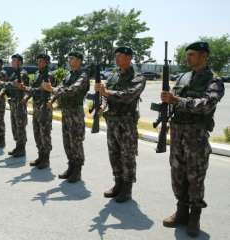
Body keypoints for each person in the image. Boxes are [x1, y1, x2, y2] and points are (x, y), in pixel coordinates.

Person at [161, 42, 225, 237]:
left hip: (196, 136)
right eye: (187, 54)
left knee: (195, 177)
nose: (187, 57)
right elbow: (171, 98)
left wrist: (177, 101)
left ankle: (194, 216)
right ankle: (181, 212)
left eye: (192, 54)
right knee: (177, 174)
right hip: (178, 133)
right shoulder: (182, 76)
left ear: (204, 56)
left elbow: (207, 104)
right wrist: (166, 100)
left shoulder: (214, 80)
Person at [94, 47, 146, 203]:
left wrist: (106, 93)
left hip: (127, 122)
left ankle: (127, 188)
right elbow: (105, 95)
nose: (117, 59)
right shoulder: (114, 75)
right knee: (114, 154)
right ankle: (118, 183)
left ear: (129, 58)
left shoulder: (138, 77)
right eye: (116, 56)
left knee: (127, 156)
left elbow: (129, 95)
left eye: (120, 56)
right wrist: (103, 105)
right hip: (112, 121)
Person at [43, 52, 89, 183]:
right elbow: (61, 87)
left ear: (79, 60)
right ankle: (71, 167)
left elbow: (72, 89)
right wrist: (52, 100)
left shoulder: (83, 75)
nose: (69, 60)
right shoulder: (69, 74)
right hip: (66, 112)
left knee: (76, 141)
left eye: (72, 58)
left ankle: (77, 170)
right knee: (67, 141)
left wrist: (52, 89)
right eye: (68, 58)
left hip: (75, 113)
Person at [22, 54, 54, 169]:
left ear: (47, 62)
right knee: (37, 132)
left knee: (45, 134)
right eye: (38, 61)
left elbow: (42, 89)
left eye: (41, 61)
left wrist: (25, 88)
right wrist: (26, 97)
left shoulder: (49, 75)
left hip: (44, 107)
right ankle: (40, 156)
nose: (39, 63)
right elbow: (33, 88)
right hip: (36, 107)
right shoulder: (36, 74)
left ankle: (46, 159)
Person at [0, 54, 29, 157]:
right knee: (15, 126)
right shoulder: (14, 73)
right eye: (12, 60)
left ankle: (22, 148)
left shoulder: (23, 73)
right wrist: (5, 87)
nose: (12, 62)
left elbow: (16, 84)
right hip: (13, 103)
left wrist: (3, 83)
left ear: (20, 62)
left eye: (14, 60)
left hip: (19, 103)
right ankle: (18, 146)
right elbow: (10, 84)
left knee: (20, 126)